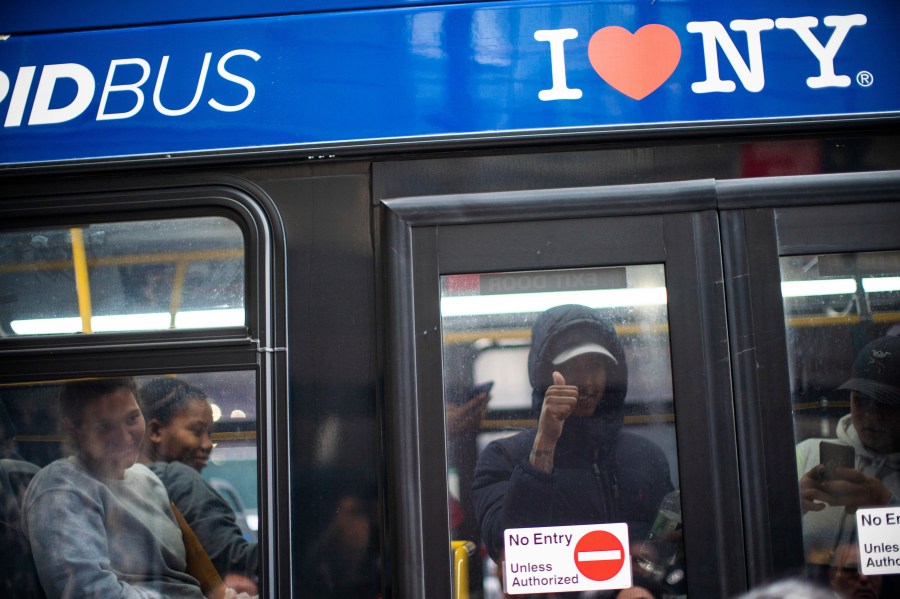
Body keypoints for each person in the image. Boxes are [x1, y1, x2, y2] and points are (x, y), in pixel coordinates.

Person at [471, 304, 675, 594]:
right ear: (546, 375)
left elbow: (670, 546)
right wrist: (545, 443)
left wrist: (648, 584)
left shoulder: (645, 456)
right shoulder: (504, 457)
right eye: (572, 368)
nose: (588, 382)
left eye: (596, 366)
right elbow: (507, 549)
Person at [21, 378, 207, 599]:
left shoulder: (148, 480)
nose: (124, 436)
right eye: (104, 426)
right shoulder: (61, 488)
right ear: (74, 430)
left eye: (131, 418)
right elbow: (86, 592)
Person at [138, 377, 259, 593]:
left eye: (210, 434)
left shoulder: (128, 483)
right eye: (196, 431)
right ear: (155, 431)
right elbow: (239, 565)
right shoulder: (177, 479)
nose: (207, 444)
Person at [796, 335, 900, 567]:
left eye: (887, 404)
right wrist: (791, 507)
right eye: (860, 401)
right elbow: (756, 538)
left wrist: (886, 508)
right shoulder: (806, 453)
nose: (872, 416)